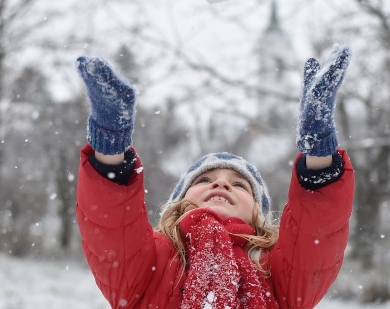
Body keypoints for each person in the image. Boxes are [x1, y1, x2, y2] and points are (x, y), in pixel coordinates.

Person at [75, 43, 354, 309]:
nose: (221, 183)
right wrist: (110, 145)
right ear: (181, 201)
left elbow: (318, 231)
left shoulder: (275, 269)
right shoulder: (153, 258)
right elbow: (111, 225)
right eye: (204, 180)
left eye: (239, 185)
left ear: (257, 211)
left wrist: (318, 149)